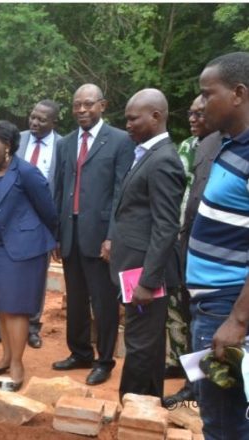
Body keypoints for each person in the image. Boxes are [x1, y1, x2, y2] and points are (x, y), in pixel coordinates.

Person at [52, 83, 135, 386]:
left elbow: (121, 193)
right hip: (71, 235)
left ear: (103, 105)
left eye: (88, 104)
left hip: (101, 237)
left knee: (102, 303)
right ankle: (80, 353)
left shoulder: (120, 141)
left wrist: (113, 236)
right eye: (77, 105)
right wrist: (57, 234)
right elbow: (59, 189)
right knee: (75, 299)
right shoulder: (65, 143)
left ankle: (104, 360)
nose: (82, 110)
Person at [186, 51, 249, 439]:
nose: (201, 103)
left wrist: (237, 321)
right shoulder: (229, 145)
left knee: (223, 424)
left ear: (239, 94)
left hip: (226, 310)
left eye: (208, 94)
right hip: (210, 304)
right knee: (217, 415)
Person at [111, 89, 185, 399]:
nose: (127, 124)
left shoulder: (163, 160)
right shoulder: (147, 154)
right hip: (135, 269)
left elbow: (166, 225)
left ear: (156, 116)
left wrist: (148, 281)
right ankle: (149, 408)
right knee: (148, 344)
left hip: (144, 275)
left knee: (140, 345)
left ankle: (133, 411)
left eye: (133, 118)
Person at [0, 120, 57, 390]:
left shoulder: (26, 172)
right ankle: (5, 356)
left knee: (16, 308)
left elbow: (47, 209)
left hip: (23, 250)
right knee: (1, 305)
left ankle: (17, 363)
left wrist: (53, 240)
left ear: (7, 145)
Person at [162, 95, 222, 406]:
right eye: (191, 113)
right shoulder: (189, 148)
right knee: (184, 312)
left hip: (217, 254)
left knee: (205, 320)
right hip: (183, 244)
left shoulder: (226, 147)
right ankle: (190, 381)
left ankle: (199, 389)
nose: (194, 118)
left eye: (201, 112)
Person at [0, 100, 62, 349]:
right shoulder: (13, 140)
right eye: (32, 117)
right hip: (7, 220)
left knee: (33, 280)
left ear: (54, 122)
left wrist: (55, 230)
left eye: (42, 119)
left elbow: (56, 189)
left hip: (38, 222)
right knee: (3, 281)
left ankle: (32, 326)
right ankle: (1, 327)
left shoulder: (63, 146)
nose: (35, 123)